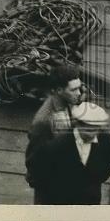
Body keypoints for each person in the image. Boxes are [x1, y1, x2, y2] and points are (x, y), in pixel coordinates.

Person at [28, 102, 110, 205]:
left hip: (91, 200)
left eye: (95, 129)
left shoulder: (106, 141)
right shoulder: (57, 146)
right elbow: (41, 175)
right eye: (87, 130)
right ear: (77, 123)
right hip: (63, 202)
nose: (91, 134)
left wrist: (94, 182)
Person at [24, 63, 85, 194]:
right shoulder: (43, 121)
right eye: (73, 90)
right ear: (58, 90)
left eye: (79, 88)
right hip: (52, 185)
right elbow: (34, 161)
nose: (79, 93)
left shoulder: (67, 102)